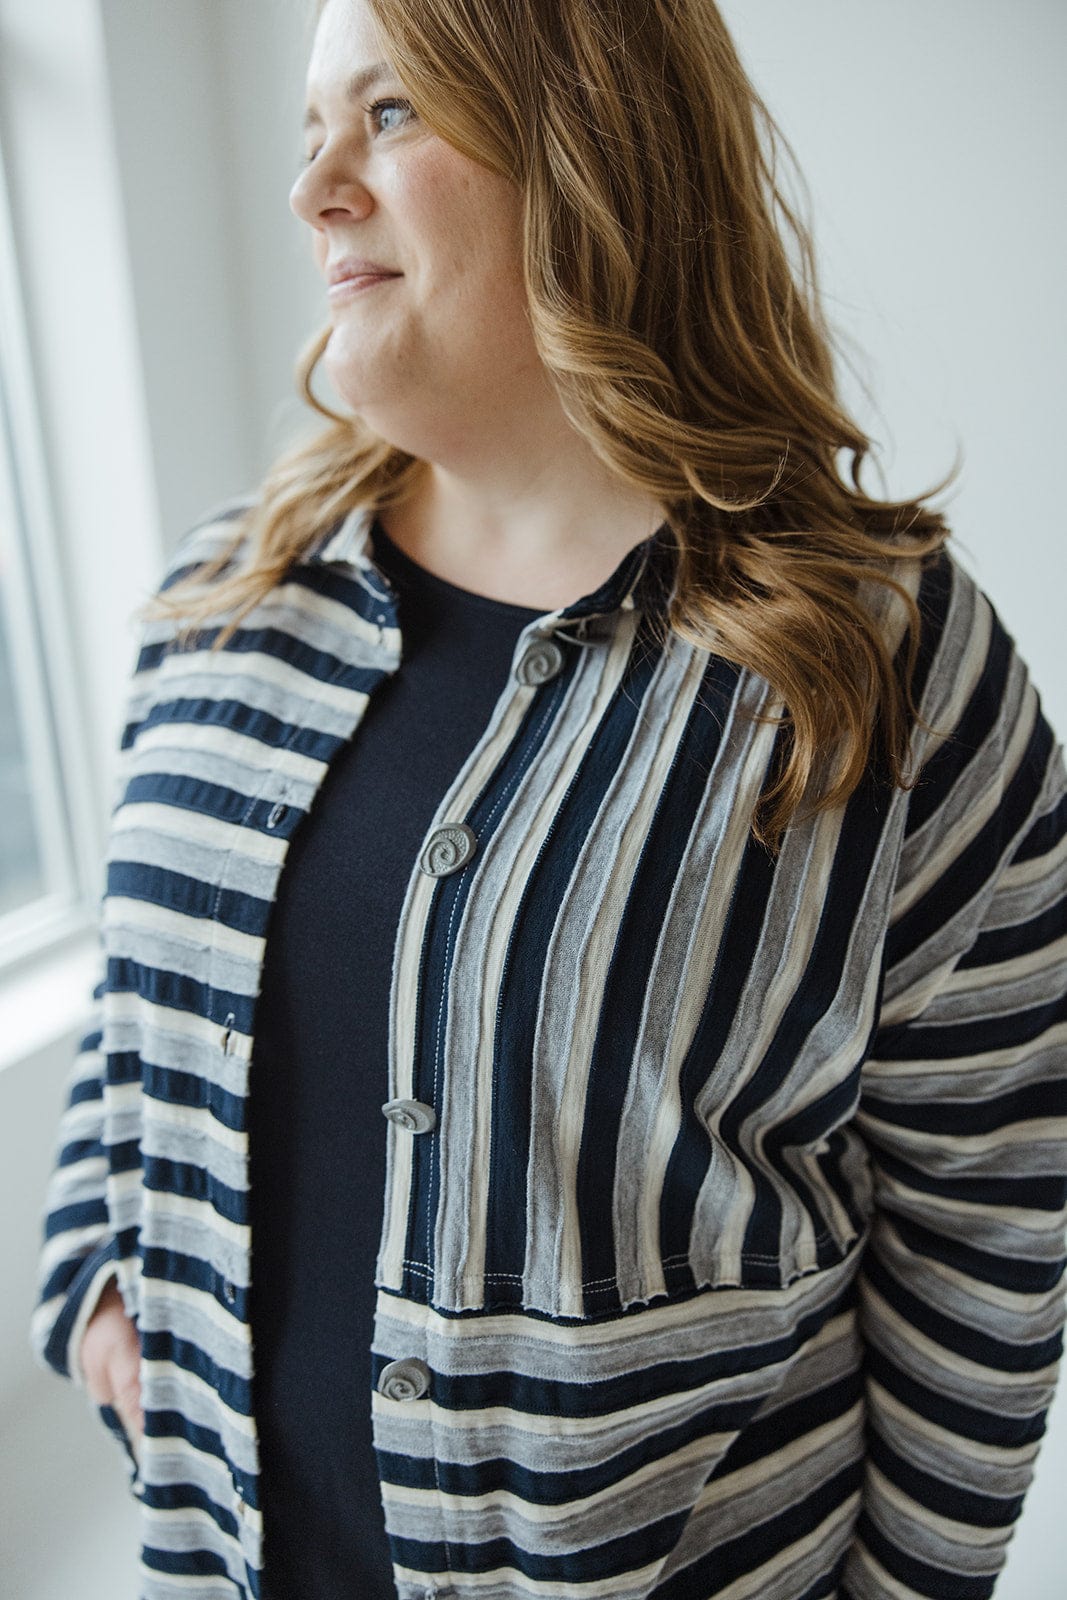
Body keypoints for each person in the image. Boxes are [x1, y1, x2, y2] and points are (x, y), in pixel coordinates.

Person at [31, 0, 1067, 1596]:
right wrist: (91, 1269)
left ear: (596, 150)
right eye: (312, 128)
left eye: (391, 116)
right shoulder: (226, 598)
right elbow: (137, 998)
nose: (313, 189)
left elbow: (992, 1211)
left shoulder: (882, 666)